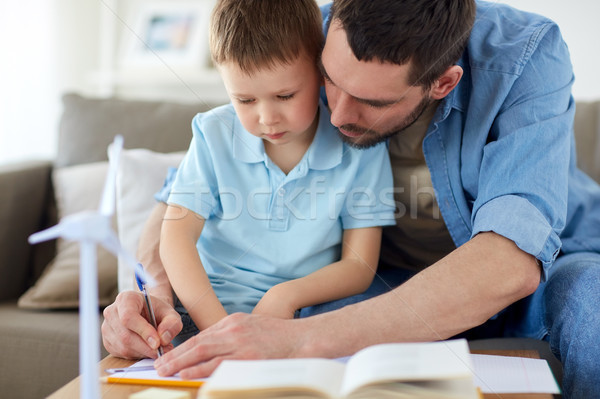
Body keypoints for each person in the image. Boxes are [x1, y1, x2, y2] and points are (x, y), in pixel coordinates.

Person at [102, 1, 600, 397]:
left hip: (542, 269)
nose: (337, 116)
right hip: (383, 284)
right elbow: (174, 203)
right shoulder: (302, 35)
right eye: (329, 82)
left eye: (372, 101)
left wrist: (297, 340)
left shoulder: (524, 55)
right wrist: (155, 296)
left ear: (443, 82)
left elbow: (509, 262)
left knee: (592, 303)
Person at [161, 0, 395, 337]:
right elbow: (176, 237)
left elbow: (359, 266)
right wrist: (220, 330)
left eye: (285, 96)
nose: (267, 118)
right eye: (245, 100)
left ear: (321, 73)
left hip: (305, 312)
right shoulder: (213, 134)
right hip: (206, 309)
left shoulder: (359, 146)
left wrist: (285, 296)